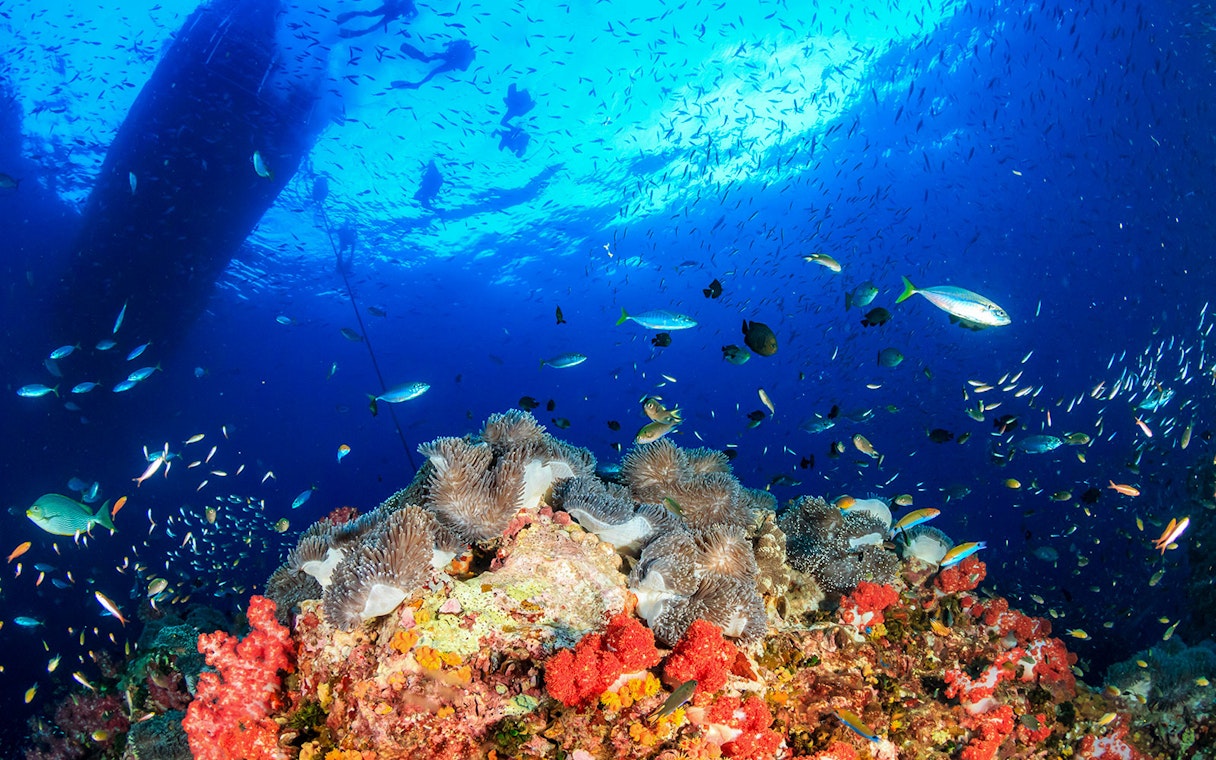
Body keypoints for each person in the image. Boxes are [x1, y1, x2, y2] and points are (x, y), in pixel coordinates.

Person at [391, 39, 475, 89]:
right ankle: (424, 59)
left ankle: (417, 85)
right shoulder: (462, 46)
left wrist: (449, 47)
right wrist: (447, 45)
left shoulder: (463, 49)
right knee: (433, 58)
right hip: (452, 58)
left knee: (434, 71)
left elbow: (461, 63)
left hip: (455, 62)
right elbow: (450, 47)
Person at [336, 0, 417, 38]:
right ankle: (353, 14)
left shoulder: (412, 6)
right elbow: (415, 13)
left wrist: (410, 18)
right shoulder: (411, 5)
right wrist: (409, 18)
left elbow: (416, 13)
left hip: (391, 14)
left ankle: (357, 32)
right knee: (371, 16)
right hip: (388, 9)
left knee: (375, 24)